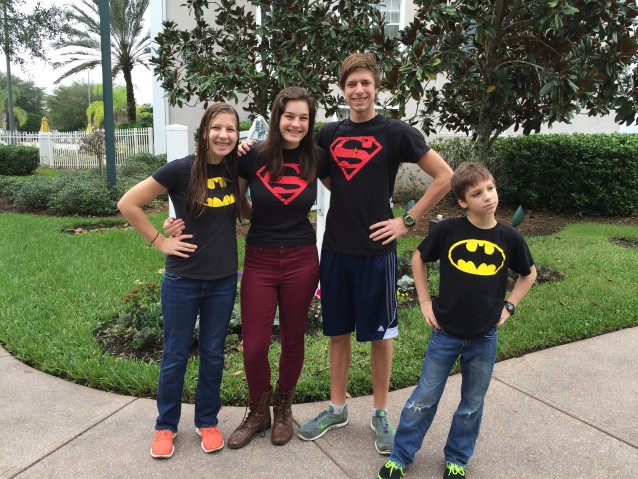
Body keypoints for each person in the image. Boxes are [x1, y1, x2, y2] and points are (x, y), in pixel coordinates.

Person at [240, 52, 453, 454]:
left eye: (365, 84)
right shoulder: (328, 135)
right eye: (351, 84)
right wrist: (250, 144)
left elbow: (444, 176)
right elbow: (306, 164)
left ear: (376, 87)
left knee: (380, 337)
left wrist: (406, 220)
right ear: (343, 89)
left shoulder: (395, 132)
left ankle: (379, 413)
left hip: (377, 253)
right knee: (337, 333)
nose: (358, 90)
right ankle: (337, 408)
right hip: (335, 249)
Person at [165, 86, 329, 448]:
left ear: (310, 121)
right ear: (276, 117)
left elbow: (348, 194)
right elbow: (233, 204)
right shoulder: (250, 155)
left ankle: (283, 407)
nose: (296, 124)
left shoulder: (318, 157)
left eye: (304, 117)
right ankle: (258, 409)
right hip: (260, 257)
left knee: (292, 339)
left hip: (302, 259)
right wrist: (176, 225)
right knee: (253, 345)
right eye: (289, 116)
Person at [377, 162, 538, 479]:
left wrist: (509, 306)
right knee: (423, 399)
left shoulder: (509, 237)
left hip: (484, 336)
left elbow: (528, 274)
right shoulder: (449, 230)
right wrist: (424, 301)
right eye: (477, 193)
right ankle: (401, 455)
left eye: (490, 188)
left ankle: (457, 458)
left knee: (472, 404)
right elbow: (418, 258)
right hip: (445, 332)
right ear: (463, 201)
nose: (488, 197)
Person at [117, 103, 244, 459]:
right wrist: (160, 240)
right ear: (203, 131)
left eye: (231, 130)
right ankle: (165, 426)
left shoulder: (236, 168)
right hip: (183, 279)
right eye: (217, 128)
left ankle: (207, 421)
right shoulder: (179, 170)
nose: (224, 135)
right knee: (175, 354)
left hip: (222, 280)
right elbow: (128, 203)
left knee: (214, 354)